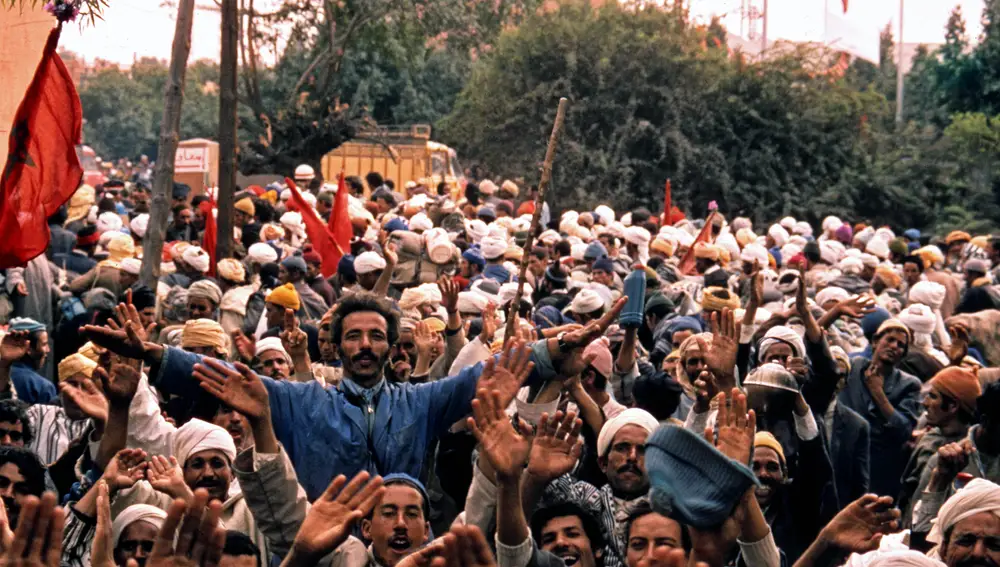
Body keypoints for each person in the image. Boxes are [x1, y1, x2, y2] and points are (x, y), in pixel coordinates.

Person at [839, 319, 922, 498]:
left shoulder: (909, 385)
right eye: (890, 340)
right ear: (875, 342)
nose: (894, 346)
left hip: (879, 470)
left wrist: (878, 393)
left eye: (901, 345)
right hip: (842, 458)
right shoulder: (853, 366)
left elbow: (904, 430)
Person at [0, 323, 58, 404]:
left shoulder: (4, 373)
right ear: (28, 348)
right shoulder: (43, 387)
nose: (48, 350)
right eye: (44, 344)